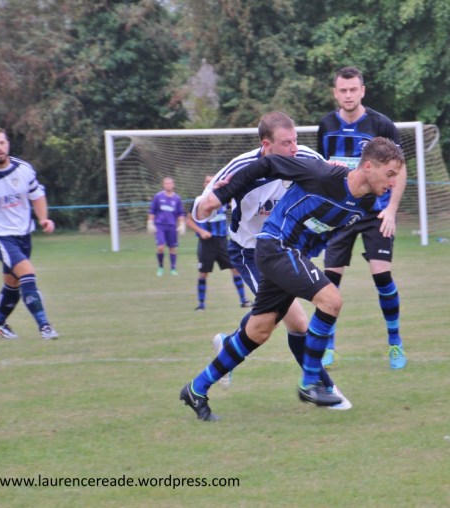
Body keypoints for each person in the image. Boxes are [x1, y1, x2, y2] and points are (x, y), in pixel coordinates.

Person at [179, 135, 405, 421]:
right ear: (369, 166)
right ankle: (311, 382)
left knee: (259, 330)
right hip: (275, 246)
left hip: (292, 254)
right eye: (390, 174)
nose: (394, 182)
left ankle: (196, 389)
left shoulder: (368, 202)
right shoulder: (321, 173)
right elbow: (267, 164)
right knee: (331, 301)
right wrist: (221, 196)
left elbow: (325, 229)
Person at [203, 111, 343, 397]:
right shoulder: (241, 167)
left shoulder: (306, 157)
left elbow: (330, 180)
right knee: (293, 322)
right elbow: (200, 209)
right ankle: (323, 388)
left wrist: (338, 173)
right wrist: (215, 198)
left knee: (275, 321)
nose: (294, 148)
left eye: (295, 140)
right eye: (286, 143)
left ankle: (228, 347)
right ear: (266, 145)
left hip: (285, 251)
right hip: (250, 253)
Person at [317, 66, 408, 370]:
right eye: (343, 90)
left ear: (362, 91)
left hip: (375, 212)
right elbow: (322, 170)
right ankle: (328, 347)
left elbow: (400, 170)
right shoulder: (326, 125)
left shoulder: (381, 124)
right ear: (335, 93)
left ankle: (395, 342)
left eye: (353, 89)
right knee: (329, 283)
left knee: (382, 277)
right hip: (340, 213)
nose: (348, 95)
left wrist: (391, 209)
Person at [0, 126, 59, 340]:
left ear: (8, 144)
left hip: (23, 234)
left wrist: (43, 219)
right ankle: (45, 326)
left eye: (2, 142)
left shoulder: (24, 169)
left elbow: (37, 195)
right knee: (26, 273)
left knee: (12, 284)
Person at [185, 175, 252, 311]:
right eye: (207, 181)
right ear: (204, 185)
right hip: (206, 243)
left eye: (211, 181)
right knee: (203, 273)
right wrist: (201, 231)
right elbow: (188, 220)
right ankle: (201, 305)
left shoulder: (223, 200)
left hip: (222, 241)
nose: (209, 183)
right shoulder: (199, 201)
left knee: (235, 269)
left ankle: (244, 300)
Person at [147, 177, 186, 276]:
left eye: (170, 183)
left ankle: (173, 268)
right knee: (160, 247)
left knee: (172, 248)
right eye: (166, 183)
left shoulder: (177, 198)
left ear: (173, 185)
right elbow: (152, 211)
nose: (168, 185)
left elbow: (181, 213)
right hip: (160, 226)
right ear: (163, 185)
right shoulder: (158, 197)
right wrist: (150, 222)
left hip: (172, 226)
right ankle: (160, 267)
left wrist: (182, 224)